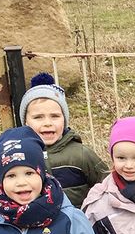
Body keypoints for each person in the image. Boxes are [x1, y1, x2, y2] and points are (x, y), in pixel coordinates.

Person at [0, 126, 109, 234]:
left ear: (42, 173)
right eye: (11, 175)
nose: (21, 183)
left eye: (29, 173)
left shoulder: (70, 220)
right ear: (1, 181)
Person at [20, 72, 108, 207]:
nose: (47, 123)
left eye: (55, 116)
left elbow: (107, 186)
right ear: (26, 122)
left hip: (76, 224)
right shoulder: (19, 156)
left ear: (64, 119)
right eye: (38, 117)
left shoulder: (81, 155)